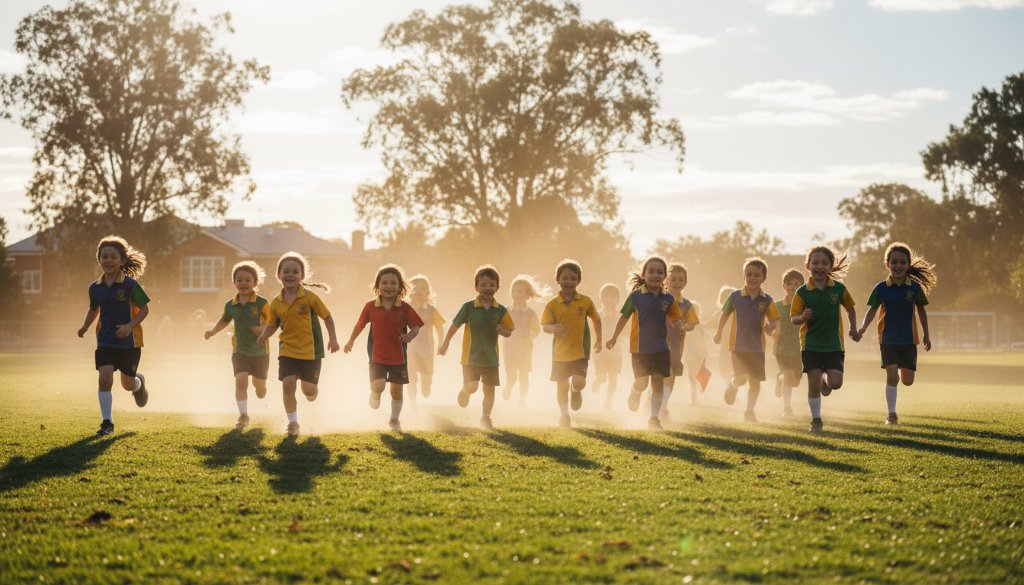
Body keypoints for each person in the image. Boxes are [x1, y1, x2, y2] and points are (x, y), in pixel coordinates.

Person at [256, 252, 340, 437]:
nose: (290, 275)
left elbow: (327, 316)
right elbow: (272, 325)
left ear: (302, 276)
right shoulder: (276, 303)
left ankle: (312, 391)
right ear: (278, 275)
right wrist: (264, 336)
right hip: (287, 349)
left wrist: (332, 339)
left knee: (308, 391)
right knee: (288, 384)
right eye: (286, 271)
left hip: (311, 351)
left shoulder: (310, 298)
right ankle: (293, 423)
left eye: (295, 271)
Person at [77, 236, 151, 436]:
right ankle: (107, 423)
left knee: (127, 385)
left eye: (113, 257)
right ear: (98, 259)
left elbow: (144, 310)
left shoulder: (130, 285)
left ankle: (138, 383)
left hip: (129, 342)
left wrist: (129, 326)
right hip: (105, 341)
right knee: (104, 379)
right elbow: (94, 309)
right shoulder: (95, 288)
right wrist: (85, 326)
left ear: (122, 260)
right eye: (104, 257)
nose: (108, 260)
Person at [856, 243, 936, 426]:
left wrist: (926, 335)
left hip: (909, 340)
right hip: (888, 340)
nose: (898, 265)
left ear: (908, 264)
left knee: (907, 381)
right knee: (892, 376)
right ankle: (891, 414)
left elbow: (922, 311)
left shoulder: (915, 288)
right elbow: (872, 310)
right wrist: (862, 328)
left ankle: (900, 369)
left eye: (902, 262)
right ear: (887, 264)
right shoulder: (881, 288)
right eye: (894, 262)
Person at [605, 256, 683, 430]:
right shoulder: (636, 297)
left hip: (661, 348)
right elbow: (624, 317)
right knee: (642, 383)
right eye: (651, 271)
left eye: (659, 272)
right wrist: (614, 337)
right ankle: (635, 392)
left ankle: (654, 418)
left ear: (665, 277)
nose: (655, 275)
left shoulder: (668, 299)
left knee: (657, 382)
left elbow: (675, 318)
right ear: (644, 274)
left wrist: (679, 327)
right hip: (639, 348)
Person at [344, 264, 423, 433]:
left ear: (400, 287)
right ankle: (375, 394)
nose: (389, 286)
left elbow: (416, 326)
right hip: (377, 355)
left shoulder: (405, 308)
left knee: (397, 391)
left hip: (399, 357)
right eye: (385, 282)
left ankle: (394, 420)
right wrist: (350, 341)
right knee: (379, 385)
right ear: (377, 286)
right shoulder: (370, 306)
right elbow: (359, 325)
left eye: (393, 283)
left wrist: (409, 336)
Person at [791, 245, 861, 434]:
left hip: (833, 345)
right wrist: (803, 317)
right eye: (815, 263)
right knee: (813, 382)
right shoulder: (802, 292)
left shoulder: (838, 289)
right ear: (808, 265)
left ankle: (825, 382)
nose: (819, 267)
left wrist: (854, 328)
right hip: (811, 344)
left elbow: (850, 308)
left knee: (836, 383)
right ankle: (816, 420)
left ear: (831, 266)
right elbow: (794, 318)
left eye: (824, 263)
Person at [438, 265, 515, 430]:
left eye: (492, 285)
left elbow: (509, 331)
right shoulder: (469, 307)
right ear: (476, 287)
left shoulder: (500, 310)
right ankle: (465, 392)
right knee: (472, 387)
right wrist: (446, 342)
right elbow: (455, 325)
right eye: (484, 285)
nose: (488, 288)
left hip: (491, 359)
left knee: (489, 390)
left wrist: (504, 331)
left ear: (497, 287)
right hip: (470, 357)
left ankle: (486, 418)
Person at [204, 261, 272, 430]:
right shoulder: (230, 305)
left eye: (248, 280)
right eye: (239, 279)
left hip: (260, 351)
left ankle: (262, 388)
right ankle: (243, 415)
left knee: (259, 384)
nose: (243, 283)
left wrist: (262, 329)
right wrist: (213, 331)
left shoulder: (262, 303)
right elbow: (225, 319)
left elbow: (273, 323)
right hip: (239, 350)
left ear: (255, 283)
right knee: (240, 381)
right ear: (234, 282)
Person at [712, 258, 780, 422]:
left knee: (755, 382)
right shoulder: (734, 297)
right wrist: (719, 332)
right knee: (741, 378)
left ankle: (749, 411)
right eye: (749, 274)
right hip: (738, 346)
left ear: (763, 278)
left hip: (757, 348)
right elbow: (724, 315)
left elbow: (774, 319)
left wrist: (771, 327)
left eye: (757, 275)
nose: (753, 278)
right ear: (744, 276)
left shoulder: (767, 300)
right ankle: (733, 385)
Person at [540, 260, 602, 428]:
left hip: (580, 351)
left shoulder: (585, 301)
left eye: (573, 278)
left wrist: (599, 339)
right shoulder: (552, 304)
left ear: (578, 281)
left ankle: (576, 392)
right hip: (559, 353)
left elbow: (596, 319)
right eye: (565, 278)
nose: (569, 282)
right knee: (561, 386)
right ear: (557, 279)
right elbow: (544, 327)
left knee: (579, 382)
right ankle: (564, 415)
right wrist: (552, 328)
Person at [663, 263, 700, 420]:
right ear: (666, 281)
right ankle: (654, 401)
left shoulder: (687, 305)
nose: (677, 283)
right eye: (673, 279)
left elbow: (692, 324)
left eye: (680, 280)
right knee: (658, 377)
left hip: (676, 348)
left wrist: (685, 327)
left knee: (670, 377)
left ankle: (663, 407)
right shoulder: (658, 299)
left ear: (685, 283)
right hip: (656, 345)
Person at [504, 275, 545, 405]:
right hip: (509, 348)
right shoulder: (505, 311)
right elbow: (499, 326)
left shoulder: (530, 313)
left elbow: (537, 330)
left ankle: (522, 399)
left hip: (524, 350)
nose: (516, 294)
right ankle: (509, 386)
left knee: (523, 375)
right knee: (511, 374)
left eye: (520, 291)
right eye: (514, 291)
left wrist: (530, 338)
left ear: (527, 294)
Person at [405, 275, 445, 405]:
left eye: (422, 288)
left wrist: (441, 342)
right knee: (411, 379)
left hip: (427, 349)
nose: (418, 291)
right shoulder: (404, 308)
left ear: (428, 292)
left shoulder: (431, 310)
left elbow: (439, 327)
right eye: (414, 288)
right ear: (408, 291)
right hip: (409, 349)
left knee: (427, 376)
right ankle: (413, 404)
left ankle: (426, 384)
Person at [772, 268, 805, 418]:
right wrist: (769, 329)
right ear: (783, 286)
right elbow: (770, 323)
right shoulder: (777, 306)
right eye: (789, 284)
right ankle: (787, 408)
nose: (792, 287)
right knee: (789, 376)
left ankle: (779, 379)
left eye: (796, 284)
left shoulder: (805, 306)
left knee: (795, 381)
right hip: (781, 348)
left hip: (799, 349)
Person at [593, 284, 625, 409]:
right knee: (602, 377)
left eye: (612, 297)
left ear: (617, 300)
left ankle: (608, 401)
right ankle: (597, 381)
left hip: (616, 353)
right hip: (600, 353)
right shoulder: (597, 315)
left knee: (613, 379)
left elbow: (626, 331)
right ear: (601, 299)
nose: (609, 300)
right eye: (605, 297)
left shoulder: (620, 316)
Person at [682, 301, 710, 403]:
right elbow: (685, 340)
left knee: (697, 375)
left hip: (700, 354)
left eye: (697, 311)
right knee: (692, 376)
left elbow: (703, 340)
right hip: (691, 354)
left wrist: (705, 352)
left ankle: (697, 395)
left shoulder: (701, 326)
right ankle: (694, 397)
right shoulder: (687, 325)